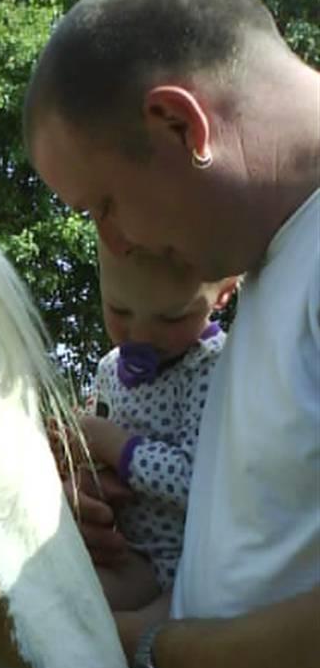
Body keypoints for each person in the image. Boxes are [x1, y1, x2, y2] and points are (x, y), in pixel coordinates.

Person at [24, 0, 320, 668]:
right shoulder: (279, 260)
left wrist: (146, 646)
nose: (113, 240)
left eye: (104, 202)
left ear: (179, 126)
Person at [77, 242, 237, 613]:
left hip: (170, 563)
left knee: (73, 605)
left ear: (223, 293)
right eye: (120, 310)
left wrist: (114, 445)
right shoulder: (108, 368)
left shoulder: (210, 366)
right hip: (117, 539)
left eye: (171, 319)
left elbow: (198, 483)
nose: (142, 335)